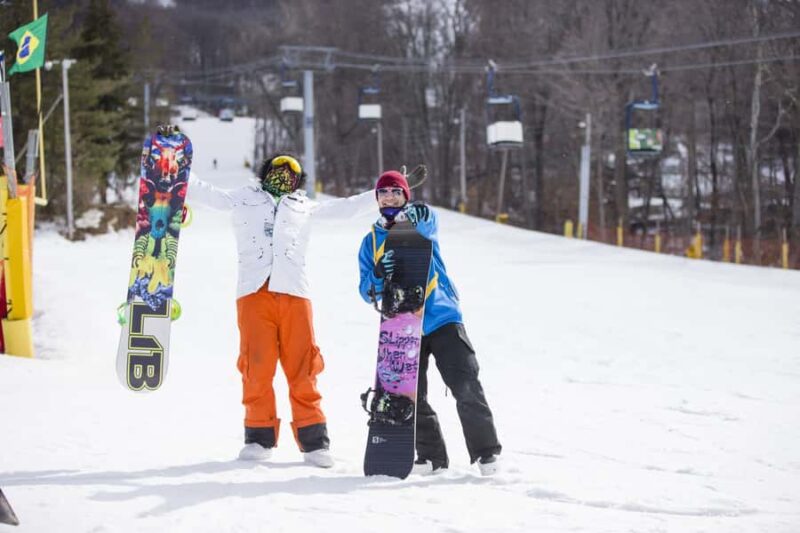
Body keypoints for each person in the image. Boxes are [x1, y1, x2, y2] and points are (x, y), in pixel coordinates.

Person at [188, 154, 374, 468]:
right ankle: (259, 437)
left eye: (292, 173)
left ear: (298, 181)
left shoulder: (303, 206)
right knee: (256, 366)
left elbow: (345, 207)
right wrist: (174, 164)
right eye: (278, 170)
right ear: (266, 172)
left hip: (294, 294)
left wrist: (382, 191)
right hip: (253, 292)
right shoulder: (243, 198)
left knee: (304, 367)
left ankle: (314, 443)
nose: (284, 176)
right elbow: (207, 193)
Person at [357, 170, 502, 476]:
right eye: (383, 193)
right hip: (404, 327)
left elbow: (426, 227)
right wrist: (380, 274)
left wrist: (412, 213)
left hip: (443, 316)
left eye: (396, 192)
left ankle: (486, 454)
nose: (390, 197)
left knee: (465, 383)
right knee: (410, 396)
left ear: (406, 195)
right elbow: (365, 289)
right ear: (377, 199)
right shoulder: (370, 241)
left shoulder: (422, 219)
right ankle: (432, 457)